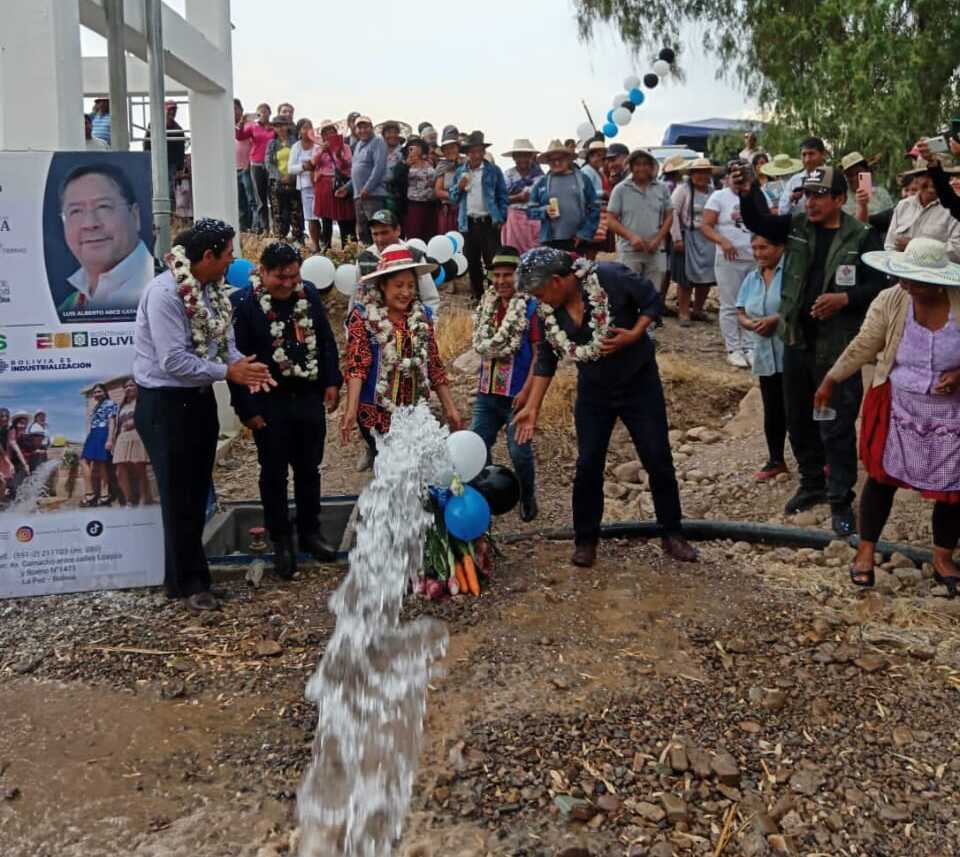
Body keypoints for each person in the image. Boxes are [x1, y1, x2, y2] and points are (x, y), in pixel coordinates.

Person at [511, 249, 698, 567]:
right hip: (594, 392)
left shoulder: (611, 277)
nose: (539, 299)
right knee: (587, 465)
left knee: (657, 459)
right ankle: (585, 540)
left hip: (639, 384)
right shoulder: (549, 312)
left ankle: (672, 534)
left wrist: (636, 333)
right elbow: (547, 358)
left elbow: (652, 300)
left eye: (541, 292)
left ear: (557, 281)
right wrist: (532, 407)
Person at [734, 163, 887, 536]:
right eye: (808, 194)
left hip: (836, 349)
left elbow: (879, 286)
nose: (812, 202)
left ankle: (840, 499)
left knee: (835, 425)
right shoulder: (797, 227)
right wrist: (747, 190)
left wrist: (844, 298)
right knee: (799, 420)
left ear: (840, 199)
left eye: (821, 195)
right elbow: (758, 220)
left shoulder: (862, 236)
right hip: (796, 341)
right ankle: (811, 484)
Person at [133, 218, 275, 611]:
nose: (233, 261)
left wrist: (243, 367)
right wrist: (228, 372)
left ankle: (191, 578)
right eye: (229, 255)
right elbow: (174, 360)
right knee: (179, 496)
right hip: (165, 404)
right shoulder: (165, 294)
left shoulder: (213, 290)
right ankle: (188, 585)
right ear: (208, 256)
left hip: (197, 401)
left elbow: (223, 342)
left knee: (197, 493)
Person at [814, 238, 960, 592]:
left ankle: (942, 557)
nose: (909, 287)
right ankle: (865, 552)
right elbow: (865, 343)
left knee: (953, 486)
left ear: (940, 281)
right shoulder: (892, 299)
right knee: (882, 477)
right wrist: (831, 379)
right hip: (899, 402)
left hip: (950, 410)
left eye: (918, 282)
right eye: (907, 280)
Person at [230, 242, 342, 578]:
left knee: (309, 470)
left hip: (307, 397)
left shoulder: (307, 295)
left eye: (293, 276)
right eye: (280, 277)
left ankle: (310, 531)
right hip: (269, 402)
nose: (287, 284)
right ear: (262, 272)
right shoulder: (245, 304)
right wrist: (247, 410)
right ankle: (281, 539)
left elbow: (325, 340)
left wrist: (331, 382)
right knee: (274, 474)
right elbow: (238, 364)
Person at [342, 246, 462, 458]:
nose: (406, 292)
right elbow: (357, 366)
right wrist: (351, 411)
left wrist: (449, 407)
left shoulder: (421, 317)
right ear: (383, 285)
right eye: (399, 285)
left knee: (416, 470)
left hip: (415, 410)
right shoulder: (363, 317)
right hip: (377, 413)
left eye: (411, 286)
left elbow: (433, 363)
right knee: (391, 471)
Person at [469, 247, 542, 522]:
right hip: (487, 393)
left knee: (519, 453)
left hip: (517, 397)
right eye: (496, 275)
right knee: (476, 445)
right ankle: (485, 494)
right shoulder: (486, 306)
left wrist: (527, 392)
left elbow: (539, 355)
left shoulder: (532, 307)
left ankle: (527, 494)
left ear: (519, 277)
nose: (501, 281)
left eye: (508, 275)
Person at [57, 163, 155, 319]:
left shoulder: (165, 288)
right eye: (75, 211)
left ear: (135, 216)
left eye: (103, 207)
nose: (90, 223)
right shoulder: (68, 306)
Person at [737, 234, 790, 480]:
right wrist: (749, 323)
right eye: (755, 248)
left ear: (780, 247)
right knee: (772, 408)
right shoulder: (752, 277)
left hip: (789, 350)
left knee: (797, 409)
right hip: (764, 353)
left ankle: (814, 462)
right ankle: (776, 460)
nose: (758, 253)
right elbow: (740, 310)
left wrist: (775, 320)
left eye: (764, 247)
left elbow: (798, 306)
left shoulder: (790, 273)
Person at [448, 131, 509, 301]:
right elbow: (453, 198)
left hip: (489, 222)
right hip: (468, 223)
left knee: (492, 261)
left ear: (483, 152)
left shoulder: (493, 171)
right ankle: (478, 296)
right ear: (467, 153)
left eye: (479, 151)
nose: (476, 155)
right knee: (472, 261)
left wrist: (501, 216)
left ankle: (493, 296)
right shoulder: (461, 172)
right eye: (472, 151)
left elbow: (502, 196)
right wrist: (459, 187)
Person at [702, 174, 755, 367]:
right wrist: (723, 241)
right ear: (727, 178)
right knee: (730, 304)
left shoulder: (757, 194)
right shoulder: (718, 197)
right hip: (728, 258)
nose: (739, 180)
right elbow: (706, 225)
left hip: (753, 257)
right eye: (735, 176)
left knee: (751, 304)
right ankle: (733, 348)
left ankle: (749, 346)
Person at [606, 148, 673, 286]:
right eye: (637, 164)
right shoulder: (621, 189)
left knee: (653, 292)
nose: (641, 168)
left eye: (645, 164)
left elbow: (669, 216)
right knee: (630, 292)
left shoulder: (661, 188)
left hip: (655, 250)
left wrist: (658, 239)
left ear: (652, 166)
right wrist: (631, 237)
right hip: (629, 250)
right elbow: (611, 219)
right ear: (631, 167)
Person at [356, 210, 440, 315]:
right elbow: (357, 299)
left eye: (385, 233)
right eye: (375, 234)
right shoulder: (365, 259)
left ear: (398, 230)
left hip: (410, 324)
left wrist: (428, 325)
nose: (380, 239)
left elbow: (430, 298)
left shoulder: (415, 256)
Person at [528, 140, 599, 254]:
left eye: (560, 159)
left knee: (576, 271)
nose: (556, 163)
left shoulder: (583, 179)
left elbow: (595, 208)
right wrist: (544, 211)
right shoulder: (542, 183)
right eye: (552, 160)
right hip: (550, 240)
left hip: (577, 240)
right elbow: (530, 210)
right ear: (548, 162)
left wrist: (584, 233)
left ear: (568, 159)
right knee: (552, 271)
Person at [670, 158, 717, 326]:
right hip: (688, 236)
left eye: (706, 172)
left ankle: (698, 309)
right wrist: (677, 238)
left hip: (708, 238)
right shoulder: (682, 190)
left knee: (706, 275)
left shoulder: (713, 191)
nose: (702, 176)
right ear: (691, 174)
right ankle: (683, 312)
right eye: (698, 172)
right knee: (686, 278)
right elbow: (672, 213)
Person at [884, 161, 960, 260]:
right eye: (927, 176)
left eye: (939, 176)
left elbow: (957, 251)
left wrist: (914, 246)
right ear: (916, 179)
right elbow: (890, 244)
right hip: (901, 271)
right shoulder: (904, 205)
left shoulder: (954, 209)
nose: (933, 181)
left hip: (936, 274)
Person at [308, 118, 356, 250]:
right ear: (322, 135)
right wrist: (322, 151)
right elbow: (313, 164)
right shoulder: (318, 148)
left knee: (343, 218)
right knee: (326, 219)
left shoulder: (345, 147)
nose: (329, 134)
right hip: (323, 184)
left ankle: (347, 248)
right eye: (326, 132)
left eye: (331, 131)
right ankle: (326, 247)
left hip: (340, 185)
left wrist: (339, 154)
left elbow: (348, 164)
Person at [111, 379, 153, 507]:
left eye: (131, 385)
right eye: (126, 386)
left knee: (139, 468)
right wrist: (113, 440)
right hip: (122, 438)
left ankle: (143, 499)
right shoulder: (121, 406)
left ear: (137, 387)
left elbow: (151, 417)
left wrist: (136, 422)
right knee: (119, 470)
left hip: (138, 435)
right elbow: (115, 425)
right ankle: (128, 500)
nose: (128, 388)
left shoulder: (143, 401)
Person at [236, 103, 276, 233]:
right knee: (260, 197)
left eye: (265, 112)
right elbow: (239, 136)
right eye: (260, 112)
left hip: (271, 164)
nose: (263, 114)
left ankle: (276, 227)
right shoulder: (252, 126)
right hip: (256, 163)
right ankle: (265, 227)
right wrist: (241, 123)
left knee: (273, 196)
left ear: (270, 113)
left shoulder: (274, 128)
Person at [500, 139, 544, 253]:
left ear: (531, 157)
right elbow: (501, 199)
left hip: (534, 218)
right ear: (514, 157)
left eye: (526, 156)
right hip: (514, 219)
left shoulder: (540, 176)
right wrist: (518, 197)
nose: (523, 159)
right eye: (519, 156)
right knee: (514, 252)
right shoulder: (508, 175)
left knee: (535, 252)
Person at [349, 116, 388, 244]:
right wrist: (346, 187)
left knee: (377, 230)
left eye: (366, 127)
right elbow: (356, 170)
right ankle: (368, 260)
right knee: (362, 232)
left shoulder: (378, 141)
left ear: (371, 128)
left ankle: (381, 259)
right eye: (359, 127)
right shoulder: (358, 145)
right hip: (359, 196)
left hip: (373, 195)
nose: (362, 130)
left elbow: (379, 167)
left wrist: (367, 188)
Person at [80, 383, 117, 507]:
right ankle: (90, 493)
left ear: (105, 392)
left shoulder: (110, 403)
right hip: (93, 434)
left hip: (103, 433)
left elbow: (112, 422)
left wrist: (110, 439)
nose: (96, 394)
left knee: (101, 463)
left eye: (99, 391)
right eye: (95, 392)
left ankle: (104, 495)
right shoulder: (96, 406)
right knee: (84, 461)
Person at [265, 115, 302, 242]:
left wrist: (292, 175)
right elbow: (269, 163)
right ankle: (280, 239)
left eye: (283, 125)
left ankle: (298, 238)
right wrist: (281, 177)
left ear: (288, 126)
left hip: (295, 180)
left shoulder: (296, 142)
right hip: (277, 182)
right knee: (278, 212)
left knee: (295, 211)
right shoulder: (272, 143)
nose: (280, 128)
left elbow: (300, 160)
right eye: (277, 125)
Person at [394, 137, 438, 242]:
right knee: (414, 237)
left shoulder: (431, 164)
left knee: (430, 236)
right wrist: (406, 166)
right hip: (413, 206)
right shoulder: (403, 165)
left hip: (430, 206)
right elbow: (397, 181)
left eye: (417, 146)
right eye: (411, 147)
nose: (414, 149)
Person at [143, 100, 186, 203]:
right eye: (170, 110)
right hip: (155, 162)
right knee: (153, 187)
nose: (172, 112)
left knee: (169, 189)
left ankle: (168, 210)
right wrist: (146, 158)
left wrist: (180, 167)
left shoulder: (178, 130)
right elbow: (146, 144)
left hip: (170, 164)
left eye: (174, 110)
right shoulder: (153, 125)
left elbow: (180, 151)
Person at [288, 118, 320, 249]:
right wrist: (304, 167)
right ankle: (316, 245)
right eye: (304, 127)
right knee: (311, 217)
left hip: (320, 184)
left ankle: (326, 242)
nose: (308, 130)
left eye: (310, 127)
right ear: (299, 131)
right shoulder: (296, 146)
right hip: (306, 186)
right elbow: (290, 168)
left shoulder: (318, 145)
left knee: (322, 216)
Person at [840, 152, 895, 223]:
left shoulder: (881, 193)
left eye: (858, 173)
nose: (855, 178)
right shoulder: (842, 198)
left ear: (867, 172)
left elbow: (892, 218)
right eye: (850, 175)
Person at [779, 137, 828, 215]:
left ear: (823, 154)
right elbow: (782, 212)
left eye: (811, 154)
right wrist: (791, 198)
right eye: (804, 155)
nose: (807, 159)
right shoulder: (794, 180)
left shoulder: (832, 178)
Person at [434, 126, 464, 235]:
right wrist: (454, 195)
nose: (449, 150)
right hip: (448, 210)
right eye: (446, 148)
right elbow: (438, 191)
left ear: (458, 147)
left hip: (465, 209)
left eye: (452, 147)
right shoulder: (442, 166)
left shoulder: (467, 163)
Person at [234, 99, 256, 232]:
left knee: (251, 200)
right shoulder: (226, 125)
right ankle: (243, 228)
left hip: (247, 167)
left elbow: (255, 145)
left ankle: (255, 228)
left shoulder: (249, 125)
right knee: (240, 202)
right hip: (233, 169)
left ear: (241, 110)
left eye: (236, 108)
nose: (233, 111)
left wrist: (250, 163)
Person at [380, 120, 406, 215]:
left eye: (395, 132)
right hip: (379, 193)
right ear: (383, 135)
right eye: (389, 132)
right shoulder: (378, 151)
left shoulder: (404, 152)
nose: (392, 135)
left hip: (398, 194)